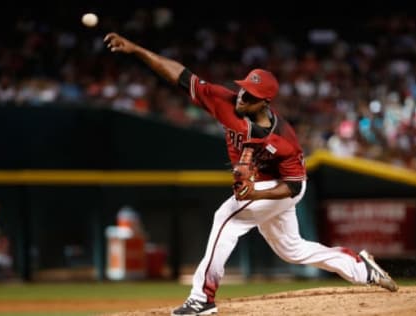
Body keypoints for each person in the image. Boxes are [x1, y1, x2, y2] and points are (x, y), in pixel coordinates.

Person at [104, 32, 398, 316]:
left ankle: (201, 298)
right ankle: (361, 267)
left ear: (265, 102)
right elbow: (181, 76)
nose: (243, 95)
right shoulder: (225, 101)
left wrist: (256, 193)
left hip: (283, 186)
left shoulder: (283, 139)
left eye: (252, 94)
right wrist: (137, 50)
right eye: (244, 87)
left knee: (226, 217)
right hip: (261, 184)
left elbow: (294, 188)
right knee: (291, 250)